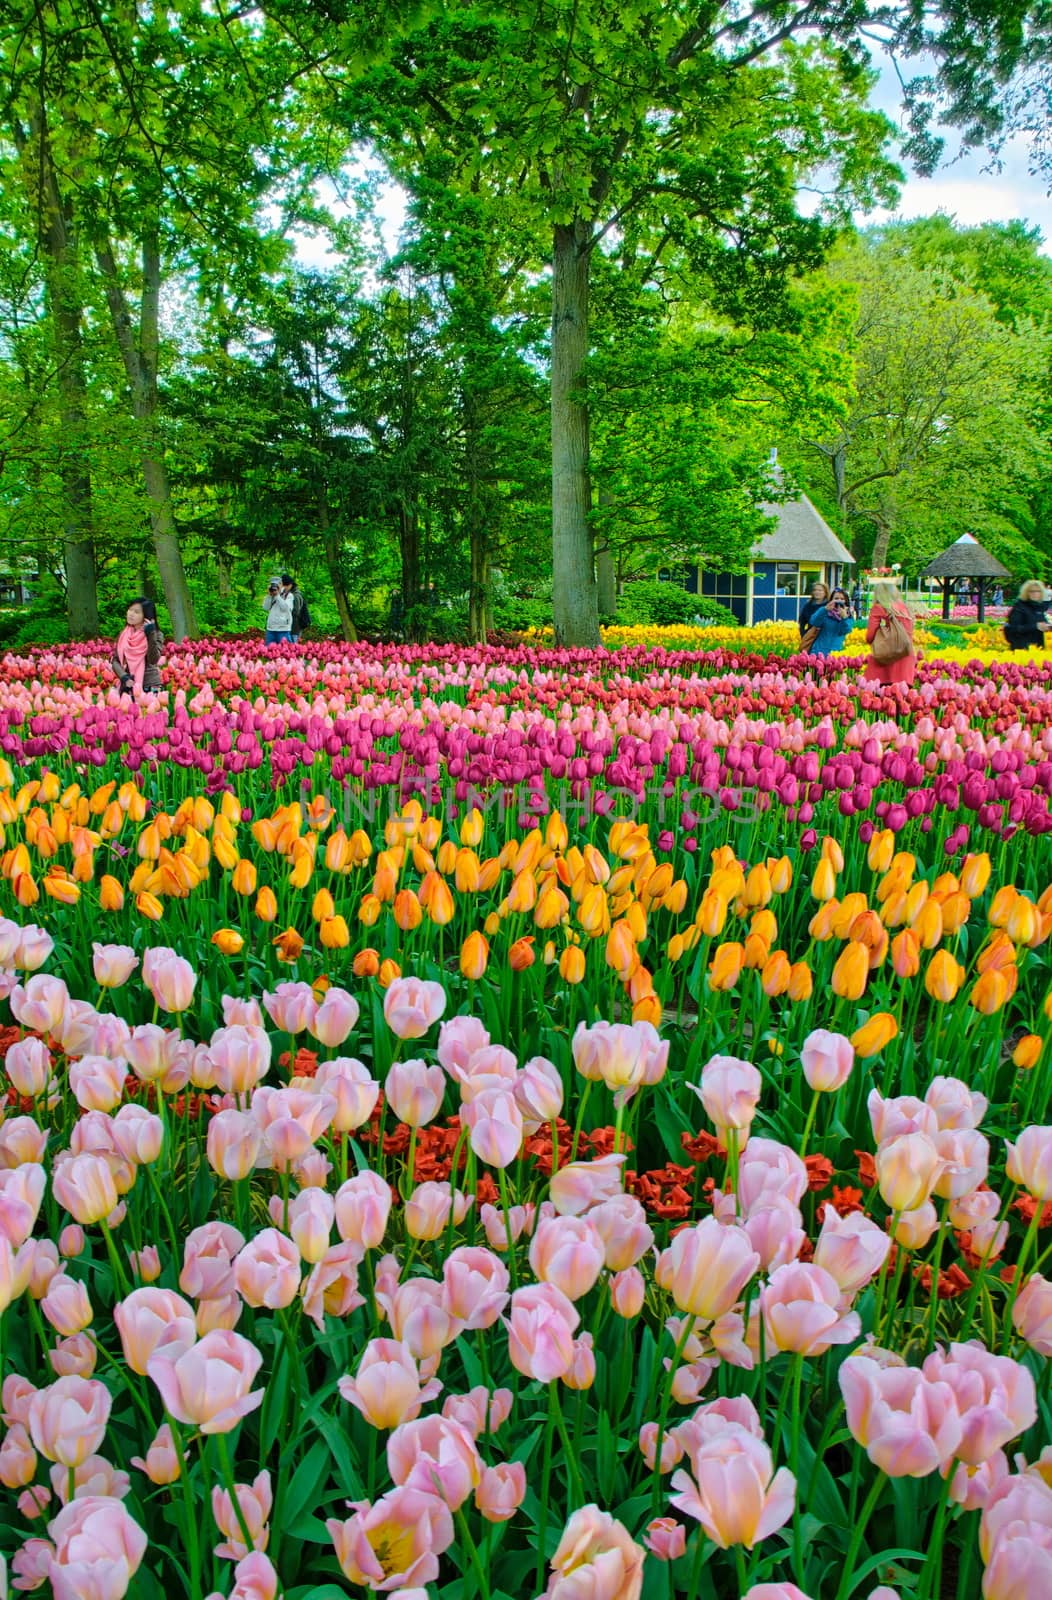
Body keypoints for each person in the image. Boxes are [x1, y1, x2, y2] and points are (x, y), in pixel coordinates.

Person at [864, 579, 917, 686]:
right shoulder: (906, 609)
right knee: (901, 696)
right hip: (906, 657)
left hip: (886, 658)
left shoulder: (879, 608)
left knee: (880, 696)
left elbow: (870, 636)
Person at [111, 597, 163, 697]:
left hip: (150, 685)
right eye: (130, 610)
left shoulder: (156, 634)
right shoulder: (123, 635)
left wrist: (150, 635)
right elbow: (115, 660)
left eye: (136, 612)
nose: (131, 614)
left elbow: (153, 659)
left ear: (146, 616)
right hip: (128, 684)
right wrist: (124, 677)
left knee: (151, 713)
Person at [807, 587, 855, 657]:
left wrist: (844, 618)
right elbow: (814, 622)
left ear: (846, 601)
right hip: (818, 652)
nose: (838, 601)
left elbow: (845, 631)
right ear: (831, 600)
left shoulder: (848, 615)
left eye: (842, 599)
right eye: (836, 599)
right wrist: (825, 610)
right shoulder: (825, 611)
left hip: (835, 654)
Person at [1004, 580, 1051, 650]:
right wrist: (1036, 626)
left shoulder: (1039, 607)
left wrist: (1047, 627)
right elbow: (1013, 628)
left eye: (1038, 591)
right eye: (1032, 591)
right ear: (1026, 592)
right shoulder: (1019, 607)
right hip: (1021, 648)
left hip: (1037, 647)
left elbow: (1042, 623)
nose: (1035, 594)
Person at [282, 574, 310, 642]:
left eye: (285, 585)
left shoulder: (296, 595)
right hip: (288, 626)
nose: (284, 587)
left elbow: (296, 612)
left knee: (293, 647)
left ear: (290, 584)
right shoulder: (286, 594)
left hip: (294, 627)